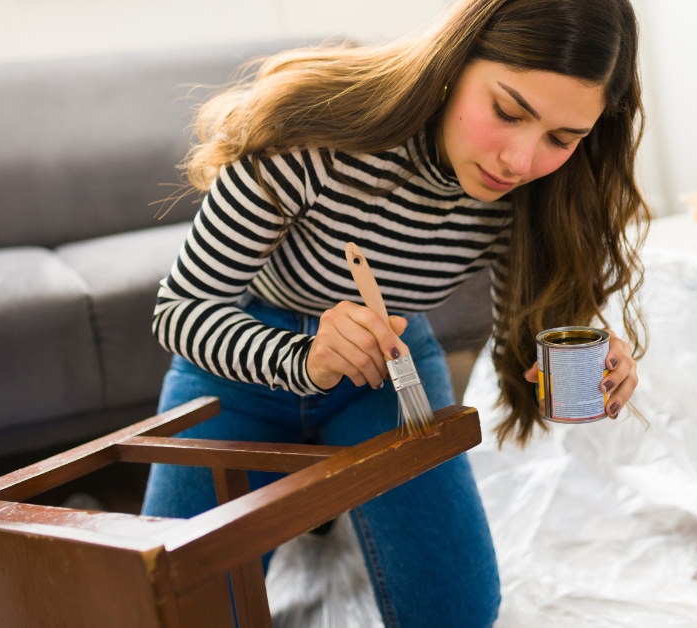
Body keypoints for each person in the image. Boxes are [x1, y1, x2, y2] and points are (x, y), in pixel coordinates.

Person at [141, 0, 648, 624]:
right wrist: (302, 358)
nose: (519, 161)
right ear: (456, 59)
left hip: (391, 369)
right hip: (238, 367)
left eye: (561, 139)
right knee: (172, 608)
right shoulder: (310, 129)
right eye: (508, 112)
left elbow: (523, 352)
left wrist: (577, 366)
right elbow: (181, 309)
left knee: (455, 613)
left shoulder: (537, 193)